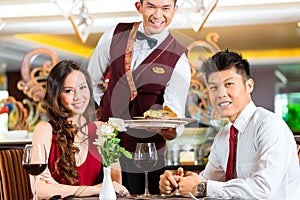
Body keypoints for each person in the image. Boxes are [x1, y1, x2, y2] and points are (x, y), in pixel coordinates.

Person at [159, 50, 300, 199]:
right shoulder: (223, 135)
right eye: (214, 87)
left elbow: (264, 190)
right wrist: (177, 184)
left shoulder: (270, 126)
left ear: (249, 86)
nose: (221, 93)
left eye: (229, 84)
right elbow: (208, 181)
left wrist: (201, 187)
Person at [87, 0, 191, 195]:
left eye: (166, 8)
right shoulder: (114, 34)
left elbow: (174, 115)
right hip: (109, 148)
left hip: (147, 154)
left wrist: (165, 127)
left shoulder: (179, 59)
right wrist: (107, 109)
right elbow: (91, 81)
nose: (158, 15)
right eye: (151, 6)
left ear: (175, 10)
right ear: (139, 6)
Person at [30, 60, 129, 199]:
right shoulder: (44, 129)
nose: (78, 96)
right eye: (69, 90)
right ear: (56, 95)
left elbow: (116, 185)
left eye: (82, 87)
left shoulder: (103, 130)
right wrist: (95, 189)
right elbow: (39, 190)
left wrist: (58, 188)